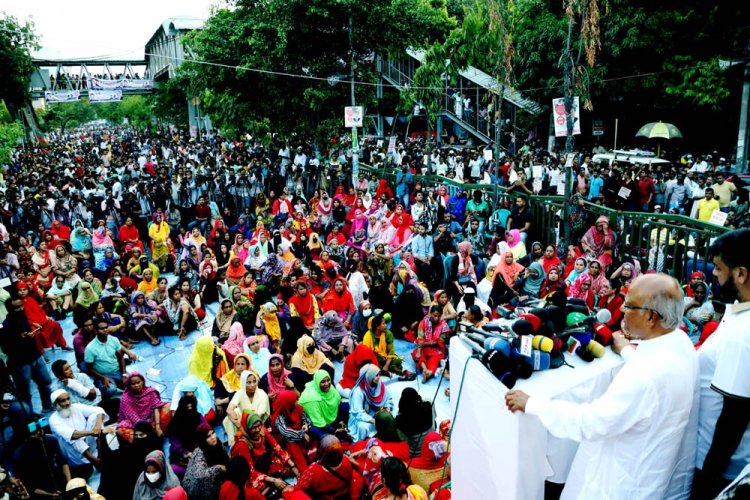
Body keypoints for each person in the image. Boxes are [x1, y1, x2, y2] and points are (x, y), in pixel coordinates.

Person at [505, 273, 698, 499]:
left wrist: (532, 403)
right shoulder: (681, 344)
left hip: (618, 484)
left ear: (651, 317)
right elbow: (655, 382)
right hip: (652, 474)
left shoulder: (643, 376)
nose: (623, 310)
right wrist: (626, 350)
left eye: (629, 305)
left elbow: (591, 422)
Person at [693, 229, 750, 498]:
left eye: (718, 268)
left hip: (717, 467)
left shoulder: (744, 334)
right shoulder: (738, 309)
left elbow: (734, 419)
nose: (713, 274)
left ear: (741, 274)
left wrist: (706, 485)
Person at [1, 297, 54, 412]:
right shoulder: (5, 327)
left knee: (46, 382)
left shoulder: (25, 318)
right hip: (20, 363)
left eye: (21, 306)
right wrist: (20, 340)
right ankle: (30, 416)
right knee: (25, 392)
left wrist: (34, 333)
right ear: (10, 310)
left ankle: (47, 406)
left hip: (35, 356)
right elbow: (6, 349)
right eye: (16, 308)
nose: (20, 309)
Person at [230, 412, 298, 492]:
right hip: (250, 473)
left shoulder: (262, 430)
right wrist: (273, 480)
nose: (258, 429)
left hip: (263, 464)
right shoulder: (242, 444)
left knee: (286, 466)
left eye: (259, 425)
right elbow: (250, 472)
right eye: (254, 427)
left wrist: (293, 465)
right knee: (259, 485)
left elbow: (277, 448)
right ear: (247, 428)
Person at [48, 389, 108, 479]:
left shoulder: (75, 407)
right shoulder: (53, 419)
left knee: (94, 417)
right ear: (55, 404)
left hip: (89, 443)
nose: (68, 402)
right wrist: (92, 432)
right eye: (63, 401)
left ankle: (100, 454)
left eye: (68, 399)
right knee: (73, 437)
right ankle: (95, 461)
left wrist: (98, 425)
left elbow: (99, 410)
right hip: (74, 453)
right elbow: (72, 435)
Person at [281, 434, 365, 499]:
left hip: (324, 497)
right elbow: (360, 470)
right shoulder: (347, 461)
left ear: (320, 452)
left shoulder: (312, 471)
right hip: (344, 495)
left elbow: (299, 488)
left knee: (287, 492)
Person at [85, 317, 135, 398]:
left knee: (134, 382)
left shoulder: (114, 340)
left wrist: (124, 374)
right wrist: (103, 378)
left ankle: (119, 383)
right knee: (110, 391)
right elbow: (89, 368)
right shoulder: (90, 348)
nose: (105, 330)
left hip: (117, 371)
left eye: (106, 327)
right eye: (102, 328)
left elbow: (121, 357)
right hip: (103, 375)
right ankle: (106, 384)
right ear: (96, 330)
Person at [117, 372, 170, 440]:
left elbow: (156, 407)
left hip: (152, 422)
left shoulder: (150, 392)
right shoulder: (125, 399)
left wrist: (157, 426)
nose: (136, 385)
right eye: (133, 384)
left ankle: (155, 434)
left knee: (168, 406)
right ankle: (147, 440)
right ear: (128, 385)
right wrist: (144, 430)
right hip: (136, 426)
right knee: (120, 430)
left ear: (143, 381)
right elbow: (133, 418)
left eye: (138, 382)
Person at [183, 423, 229, 500]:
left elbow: (226, 459)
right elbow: (199, 475)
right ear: (202, 439)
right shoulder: (200, 452)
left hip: (215, 480)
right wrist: (218, 468)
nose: (213, 437)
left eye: (213, 433)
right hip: (199, 488)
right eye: (208, 436)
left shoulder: (218, 443)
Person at [348, 364, 394, 441]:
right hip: (361, 418)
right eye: (376, 375)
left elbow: (388, 399)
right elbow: (358, 413)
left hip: (376, 413)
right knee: (363, 427)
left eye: (379, 374)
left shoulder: (379, 384)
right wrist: (375, 421)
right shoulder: (358, 392)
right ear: (368, 377)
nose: (379, 377)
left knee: (390, 417)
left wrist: (387, 409)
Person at [224, 370, 270, 445]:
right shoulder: (240, 393)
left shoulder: (262, 395)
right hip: (241, 423)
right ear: (243, 383)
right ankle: (234, 443)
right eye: (248, 382)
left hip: (256, 423)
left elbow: (258, 416)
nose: (252, 385)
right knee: (234, 413)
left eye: (254, 381)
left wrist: (243, 427)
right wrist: (237, 423)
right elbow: (229, 409)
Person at [298, 370, 344, 439]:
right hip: (313, 424)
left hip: (327, 419)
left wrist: (340, 421)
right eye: (323, 382)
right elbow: (319, 423)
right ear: (317, 382)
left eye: (328, 380)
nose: (327, 384)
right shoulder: (311, 398)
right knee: (328, 438)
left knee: (346, 407)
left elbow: (338, 404)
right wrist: (335, 430)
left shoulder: (331, 389)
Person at [413, 306, 450, 383]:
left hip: (437, 349)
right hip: (424, 347)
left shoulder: (444, 326)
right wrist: (419, 352)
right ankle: (425, 369)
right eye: (435, 315)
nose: (436, 318)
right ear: (430, 314)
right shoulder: (423, 322)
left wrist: (426, 343)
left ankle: (428, 373)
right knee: (416, 353)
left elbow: (440, 342)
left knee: (434, 361)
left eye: (439, 316)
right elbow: (420, 338)